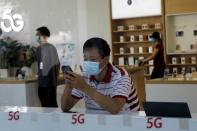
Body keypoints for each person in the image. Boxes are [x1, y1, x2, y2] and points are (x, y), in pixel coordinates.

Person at [61, 37, 140, 114]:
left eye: (92, 60)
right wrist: (69, 86)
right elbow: (65, 107)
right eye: (85, 59)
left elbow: (115, 108)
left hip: (126, 122)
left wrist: (85, 87)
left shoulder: (121, 76)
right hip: (96, 123)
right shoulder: (84, 76)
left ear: (105, 60)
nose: (88, 63)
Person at [35, 26, 60, 107]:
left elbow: (57, 65)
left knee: (51, 105)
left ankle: (54, 119)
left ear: (44, 36)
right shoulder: (38, 49)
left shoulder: (51, 48)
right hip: (41, 82)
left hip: (49, 83)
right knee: (44, 105)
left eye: (38, 34)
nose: (36, 37)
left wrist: (55, 80)